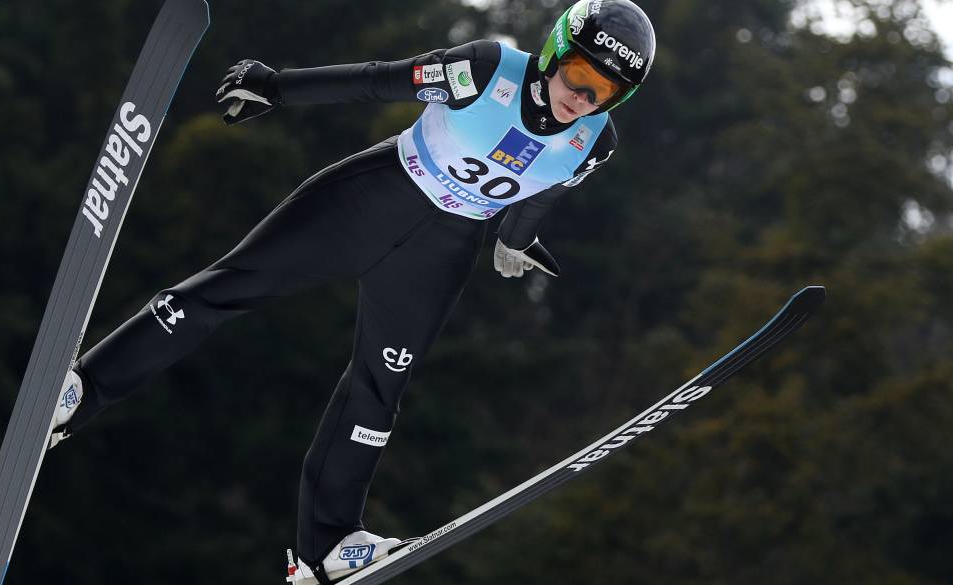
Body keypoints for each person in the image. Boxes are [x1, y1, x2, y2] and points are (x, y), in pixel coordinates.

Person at [49, 1, 656, 583]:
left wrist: (516, 239)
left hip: (440, 253)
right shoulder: (485, 69)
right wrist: (275, 88)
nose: (582, 99)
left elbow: (543, 191)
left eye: (604, 91)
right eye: (579, 76)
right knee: (226, 289)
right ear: (555, 52)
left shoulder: (594, 142)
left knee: (379, 389)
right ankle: (82, 390)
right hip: (372, 199)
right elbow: (377, 81)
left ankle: (326, 547)